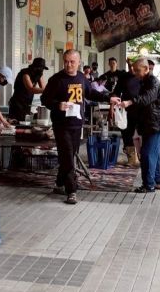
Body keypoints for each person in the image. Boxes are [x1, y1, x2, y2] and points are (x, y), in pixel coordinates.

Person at [40, 49, 109, 205]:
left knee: (70, 155)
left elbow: (90, 93)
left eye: (72, 62)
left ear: (79, 63)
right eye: (66, 61)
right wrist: (58, 105)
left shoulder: (81, 78)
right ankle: (71, 190)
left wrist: (108, 97)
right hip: (61, 124)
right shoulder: (56, 79)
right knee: (67, 156)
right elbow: (45, 99)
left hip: (77, 123)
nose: (69, 64)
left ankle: (59, 183)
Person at [112, 59, 160, 193]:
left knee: (147, 154)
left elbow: (147, 98)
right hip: (147, 123)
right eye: (133, 69)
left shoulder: (153, 81)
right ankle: (157, 181)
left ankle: (148, 185)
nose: (134, 72)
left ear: (146, 69)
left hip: (154, 124)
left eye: (137, 70)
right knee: (152, 153)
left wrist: (129, 102)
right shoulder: (143, 81)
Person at [113, 61, 140, 167]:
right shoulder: (124, 77)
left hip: (140, 110)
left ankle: (141, 157)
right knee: (127, 133)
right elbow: (116, 93)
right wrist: (112, 108)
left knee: (140, 134)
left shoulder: (143, 77)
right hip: (125, 111)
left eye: (134, 66)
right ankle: (131, 159)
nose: (132, 68)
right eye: (130, 66)